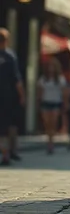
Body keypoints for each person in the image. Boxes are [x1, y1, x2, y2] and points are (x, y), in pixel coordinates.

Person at [0, 31, 24, 166]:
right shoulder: (10, 56)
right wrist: (22, 95)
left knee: (2, 128)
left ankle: (6, 153)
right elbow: (17, 79)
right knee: (10, 125)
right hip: (9, 96)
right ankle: (9, 153)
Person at [37, 57, 66, 155]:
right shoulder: (43, 79)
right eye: (49, 66)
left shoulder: (60, 79)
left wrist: (64, 104)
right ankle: (49, 140)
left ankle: (51, 143)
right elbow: (40, 92)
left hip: (55, 103)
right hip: (46, 102)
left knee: (53, 123)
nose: (51, 69)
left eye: (53, 67)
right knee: (47, 124)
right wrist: (39, 103)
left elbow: (63, 93)